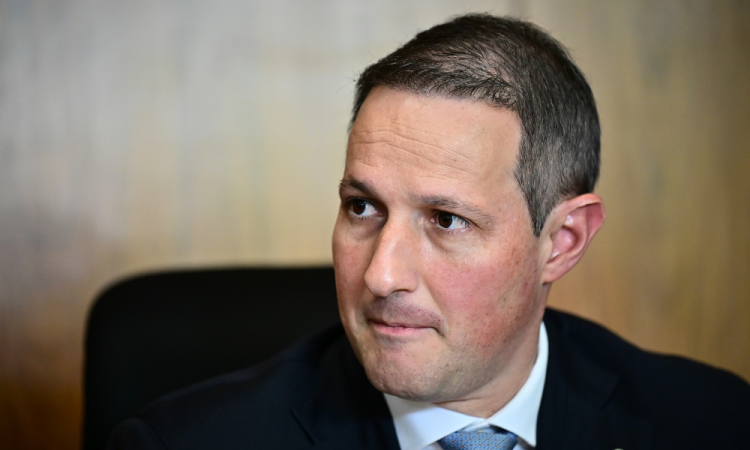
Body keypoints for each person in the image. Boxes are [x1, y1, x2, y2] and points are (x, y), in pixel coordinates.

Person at [108, 14, 750, 450]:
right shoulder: (180, 443)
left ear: (562, 242)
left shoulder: (714, 423)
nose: (381, 275)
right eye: (363, 207)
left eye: (446, 220)